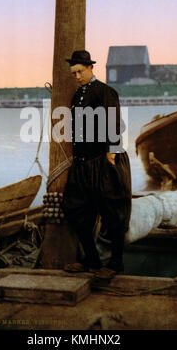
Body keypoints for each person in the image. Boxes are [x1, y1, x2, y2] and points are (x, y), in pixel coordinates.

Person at [61, 50, 132, 280]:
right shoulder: (77, 95)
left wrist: (111, 154)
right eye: (74, 73)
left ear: (91, 68)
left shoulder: (105, 91)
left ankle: (116, 263)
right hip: (82, 165)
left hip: (103, 161)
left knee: (113, 213)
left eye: (80, 71)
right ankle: (91, 260)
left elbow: (114, 122)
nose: (77, 76)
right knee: (75, 210)